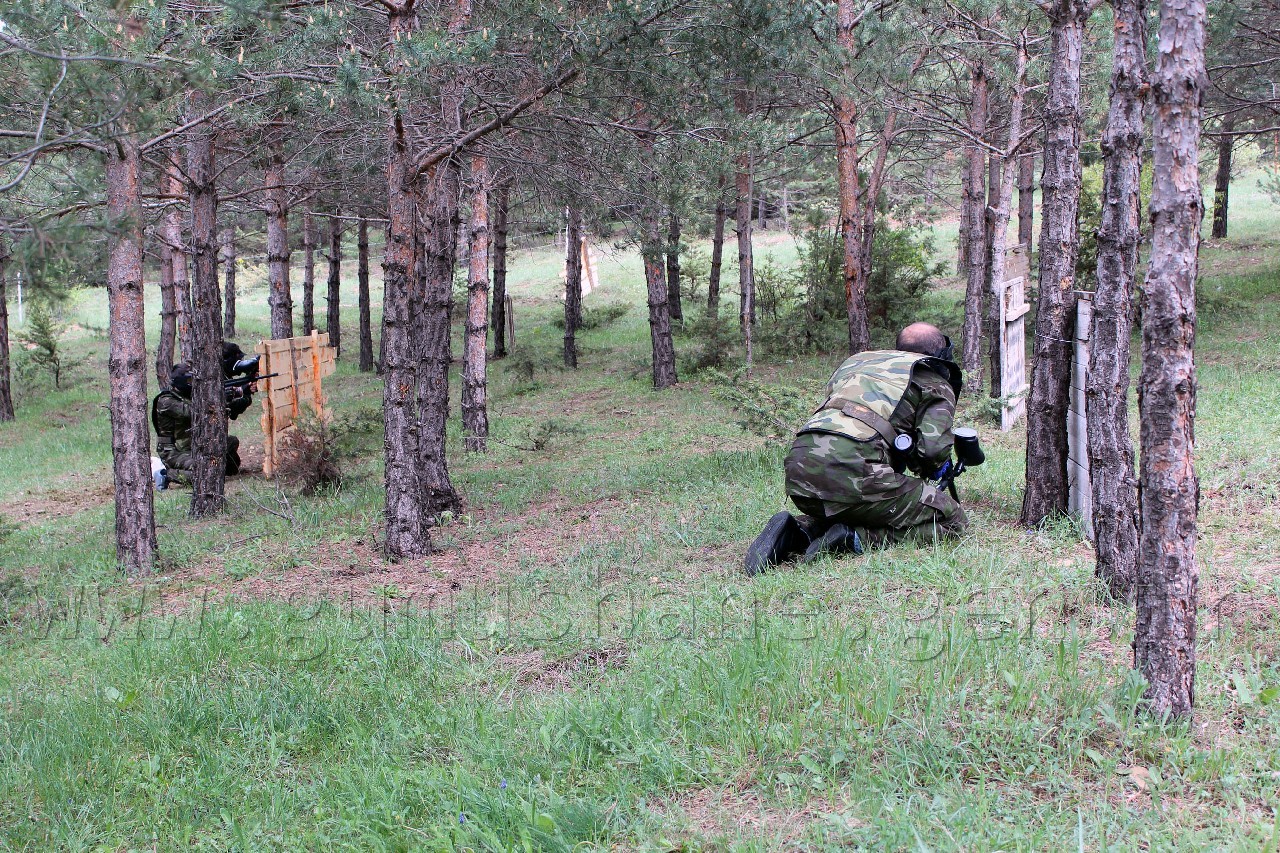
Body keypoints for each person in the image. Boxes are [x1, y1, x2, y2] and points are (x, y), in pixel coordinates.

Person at [745, 322, 969, 574]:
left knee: (856, 504)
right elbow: (932, 451)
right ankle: (852, 539)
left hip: (799, 477)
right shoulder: (935, 383)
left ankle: (799, 530)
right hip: (855, 475)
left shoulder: (860, 366)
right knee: (953, 519)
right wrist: (935, 468)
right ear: (940, 354)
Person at [152, 344, 254, 489]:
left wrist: (244, 393)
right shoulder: (166, 401)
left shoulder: (189, 395)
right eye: (190, 381)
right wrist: (224, 397)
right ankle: (167, 473)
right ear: (182, 383)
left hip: (194, 444)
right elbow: (198, 414)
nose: (194, 384)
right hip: (174, 452)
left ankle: (216, 470)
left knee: (230, 444)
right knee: (204, 472)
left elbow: (227, 409)